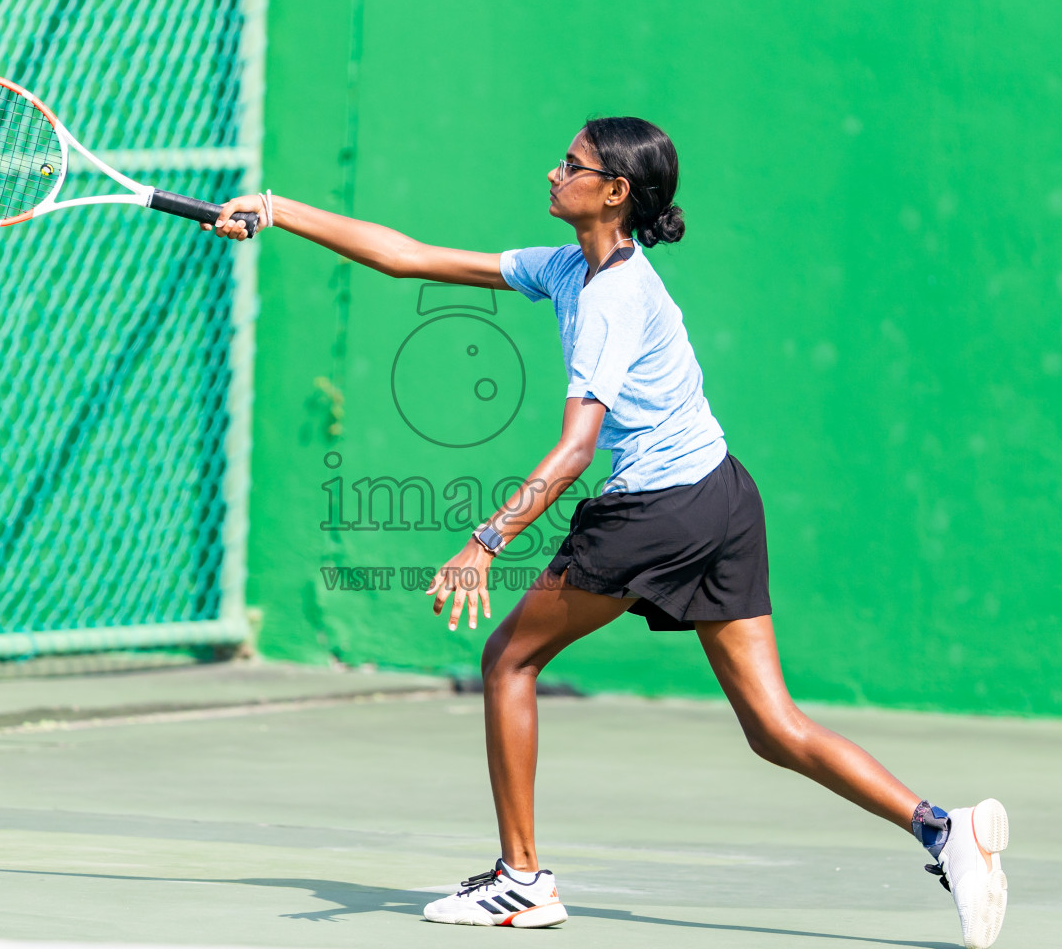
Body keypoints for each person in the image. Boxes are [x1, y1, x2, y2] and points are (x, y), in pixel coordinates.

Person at [204, 117, 1009, 949]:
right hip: (723, 495)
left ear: (614, 192)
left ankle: (521, 882)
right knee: (773, 726)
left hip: (657, 510)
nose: (553, 170)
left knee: (508, 658)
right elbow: (410, 256)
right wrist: (276, 208)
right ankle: (946, 832)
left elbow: (577, 448)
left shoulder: (608, 300)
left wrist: (487, 540)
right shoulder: (566, 269)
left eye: (572, 164)